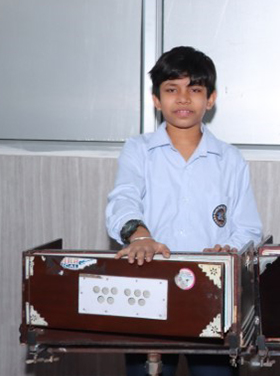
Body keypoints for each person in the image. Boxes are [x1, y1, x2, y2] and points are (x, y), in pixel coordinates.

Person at [105, 46, 263, 376]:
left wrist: (228, 250)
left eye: (194, 90)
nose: (183, 99)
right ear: (156, 99)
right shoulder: (138, 151)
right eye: (171, 89)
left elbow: (247, 228)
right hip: (146, 290)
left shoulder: (229, 159)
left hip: (211, 297)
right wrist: (141, 236)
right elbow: (122, 200)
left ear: (211, 98)